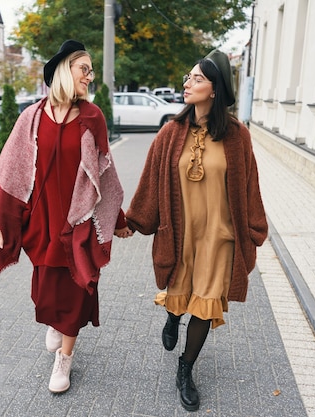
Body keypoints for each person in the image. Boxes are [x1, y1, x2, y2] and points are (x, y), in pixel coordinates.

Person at [123, 49, 268, 411]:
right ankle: (173, 316)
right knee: (180, 293)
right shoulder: (171, 132)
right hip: (181, 233)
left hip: (220, 240)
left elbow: (250, 185)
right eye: (188, 77)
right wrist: (134, 220)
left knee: (205, 307)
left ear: (215, 89)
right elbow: (150, 181)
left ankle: (185, 368)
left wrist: (253, 229)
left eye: (197, 78)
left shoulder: (238, 136)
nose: (188, 83)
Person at [0, 39, 132, 394]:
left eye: (91, 70)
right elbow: (9, 171)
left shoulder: (92, 117)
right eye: (84, 68)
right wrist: (0, 223)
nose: (90, 75)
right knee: (44, 291)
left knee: (75, 290)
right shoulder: (32, 117)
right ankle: (54, 322)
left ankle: (65, 359)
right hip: (41, 220)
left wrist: (118, 220)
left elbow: (105, 173)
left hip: (77, 221)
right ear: (63, 71)